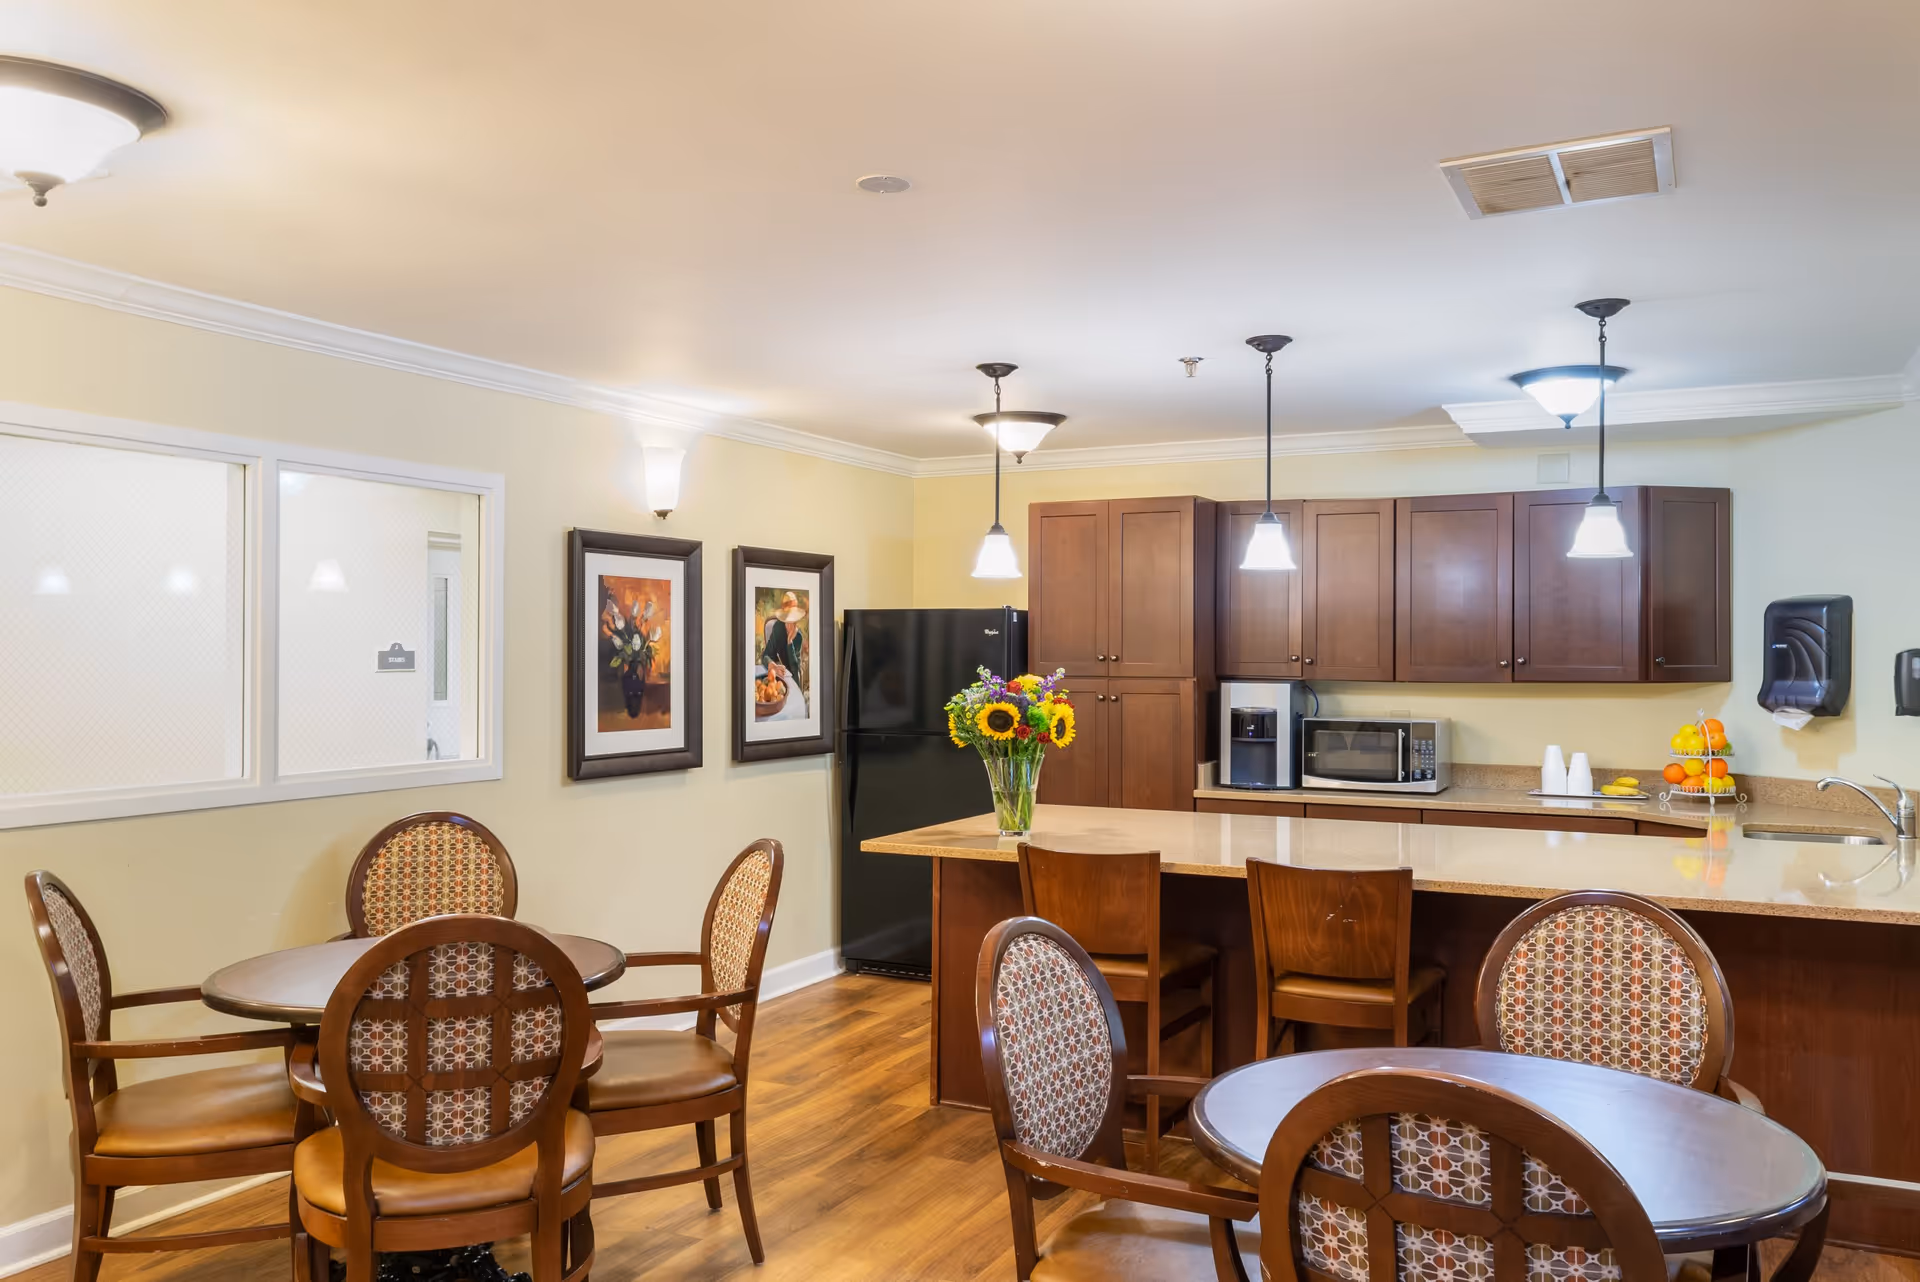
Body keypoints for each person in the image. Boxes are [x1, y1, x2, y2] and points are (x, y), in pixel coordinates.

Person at [760, 590, 806, 689]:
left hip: (792, 679)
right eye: (787, 617)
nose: (789, 622)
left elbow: (795, 668)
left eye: (792, 617)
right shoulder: (778, 628)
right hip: (777, 676)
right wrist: (772, 665)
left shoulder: (798, 637)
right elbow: (766, 655)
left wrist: (790, 643)